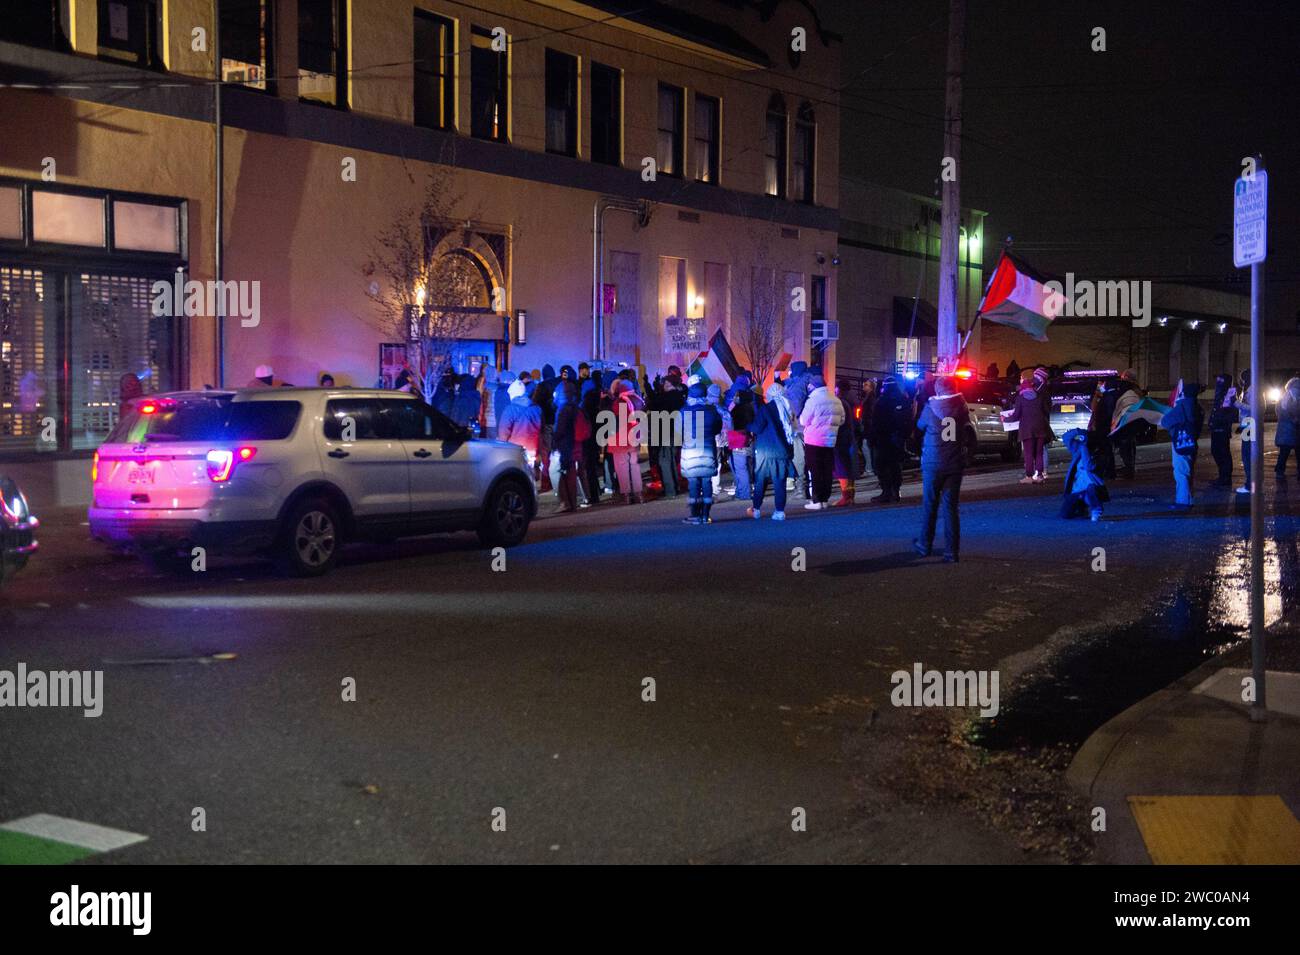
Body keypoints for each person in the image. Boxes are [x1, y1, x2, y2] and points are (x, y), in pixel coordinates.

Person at [912, 376, 975, 562]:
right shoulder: (962, 408)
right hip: (954, 462)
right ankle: (952, 551)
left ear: (938, 390)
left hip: (933, 461)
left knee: (930, 505)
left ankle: (925, 545)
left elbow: (919, 426)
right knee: (951, 508)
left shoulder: (930, 408)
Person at [747, 382, 795, 520]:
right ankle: (779, 511)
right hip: (782, 451)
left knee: (760, 481)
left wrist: (747, 425)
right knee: (780, 482)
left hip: (766, 451)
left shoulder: (766, 409)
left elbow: (757, 428)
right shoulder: (788, 408)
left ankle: (756, 509)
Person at [798, 373, 844, 511]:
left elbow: (803, 420)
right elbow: (842, 419)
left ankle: (817, 500)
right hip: (830, 440)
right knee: (827, 470)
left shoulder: (812, 400)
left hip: (814, 440)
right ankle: (825, 498)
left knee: (815, 470)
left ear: (812, 386)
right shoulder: (835, 399)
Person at [680, 381, 723, 524]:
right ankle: (706, 515)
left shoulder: (684, 411)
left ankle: (694, 515)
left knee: (693, 483)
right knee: (707, 482)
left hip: (690, 451)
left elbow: (677, 430)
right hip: (707, 449)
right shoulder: (712, 410)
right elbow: (718, 428)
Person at [1002, 367, 1052, 483]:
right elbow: (1046, 410)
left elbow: (1016, 416)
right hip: (1040, 428)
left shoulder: (1021, 398)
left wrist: (1005, 419)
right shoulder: (1039, 397)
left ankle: (1029, 476)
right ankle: (1040, 476)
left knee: (1029, 453)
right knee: (1039, 453)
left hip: (1027, 429)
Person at [1160, 379, 1204, 509]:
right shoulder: (1198, 408)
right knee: (1188, 471)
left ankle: (1182, 502)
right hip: (1192, 442)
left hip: (1180, 442)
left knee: (1180, 472)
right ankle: (1188, 499)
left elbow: (1165, 422)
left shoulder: (1182, 407)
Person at [869, 376, 911, 502]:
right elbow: (908, 419)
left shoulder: (882, 401)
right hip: (898, 438)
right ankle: (896, 490)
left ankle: (886, 491)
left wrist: (873, 437)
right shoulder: (903, 399)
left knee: (881, 465)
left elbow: (876, 421)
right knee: (895, 465)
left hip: (884, 438)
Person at [605, 379, 645, 504]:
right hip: (634, 437)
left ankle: (626, 494)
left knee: (622, 467)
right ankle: (639, 494)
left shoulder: (620, 402)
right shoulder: (638, 399)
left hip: (620, 438)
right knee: (634, 466)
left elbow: (616, 420)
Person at [1059, 428, 1107, 521]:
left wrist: (1085, 450)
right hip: (1077, 489)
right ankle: (1081, 508)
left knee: (1091, 491)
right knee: (1065, 514)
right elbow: (1066, 438)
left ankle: (1095, 509)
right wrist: (1079, 432)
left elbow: (1089, 466)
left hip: (1091, 488)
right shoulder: (1079, 449)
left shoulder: (1100, 455)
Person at [725, 372, 757, 504]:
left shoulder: (738, 409)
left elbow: (728, 419)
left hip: (738, 440)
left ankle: (744, 493)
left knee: (739, 467)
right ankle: (741, 491)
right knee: (739, 466)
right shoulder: (751, 408)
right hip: (747, 440)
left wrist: (732, 405)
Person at [497, 378, 542, 468]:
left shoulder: (510, 409)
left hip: (515, 449)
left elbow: (503, 432)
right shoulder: (537, 408)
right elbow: (541, 429)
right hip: (533, 449)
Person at [551, 381, 580, 513]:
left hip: (565, 446)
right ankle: (572, 503)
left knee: (559, 472)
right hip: (574, 445)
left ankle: (565, 502)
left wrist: (554, 441)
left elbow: (560, 430)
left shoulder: (562, 409)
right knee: (570, 474)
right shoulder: (575, 407)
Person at [1207, 373, 1238, 487]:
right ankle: (1222, 476)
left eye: (1220, 380)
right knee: (1216, 452)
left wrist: (1221, 421)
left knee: (1222, 453)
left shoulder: (1229, 394)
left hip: (1222, 429)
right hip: (1216, 428)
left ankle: (1225, 478)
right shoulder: (1220, 392)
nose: (1217, 382)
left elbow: (1230, 412)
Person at [831, 380, 857, 506]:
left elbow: (838, 421)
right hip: (850, 436)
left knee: (840, 467)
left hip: (841, 437)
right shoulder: (852, 401)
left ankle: (846, 497)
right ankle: (850, 496)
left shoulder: (840, 402)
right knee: (848, 466)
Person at [578, 377, 603, 506]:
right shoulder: (597, 403)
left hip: (587, 440)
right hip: (595, 439)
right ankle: (596, 492)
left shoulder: (584, 406)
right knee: (592, 467)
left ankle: (593, 495)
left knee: (588, 468)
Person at [1274, 377, 1300, 478]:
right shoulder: (1295, 400)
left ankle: (1279, 472)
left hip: (1284, 431)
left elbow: (1279, 414)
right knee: (1297, 453)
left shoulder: (1281, 400)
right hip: (1294, 431)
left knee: (1284, 453)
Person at [1236, 368, 1254, 495]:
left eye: (1243, 378)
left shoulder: (1253, 390)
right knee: (1247, 454)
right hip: (1247, 424)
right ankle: (1251, 483)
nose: (1241, 382)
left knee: (1247, 455)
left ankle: (1250, 485)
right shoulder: (1250, 390)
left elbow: (1255, 408)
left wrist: (1236, 403)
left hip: (1249, 425)